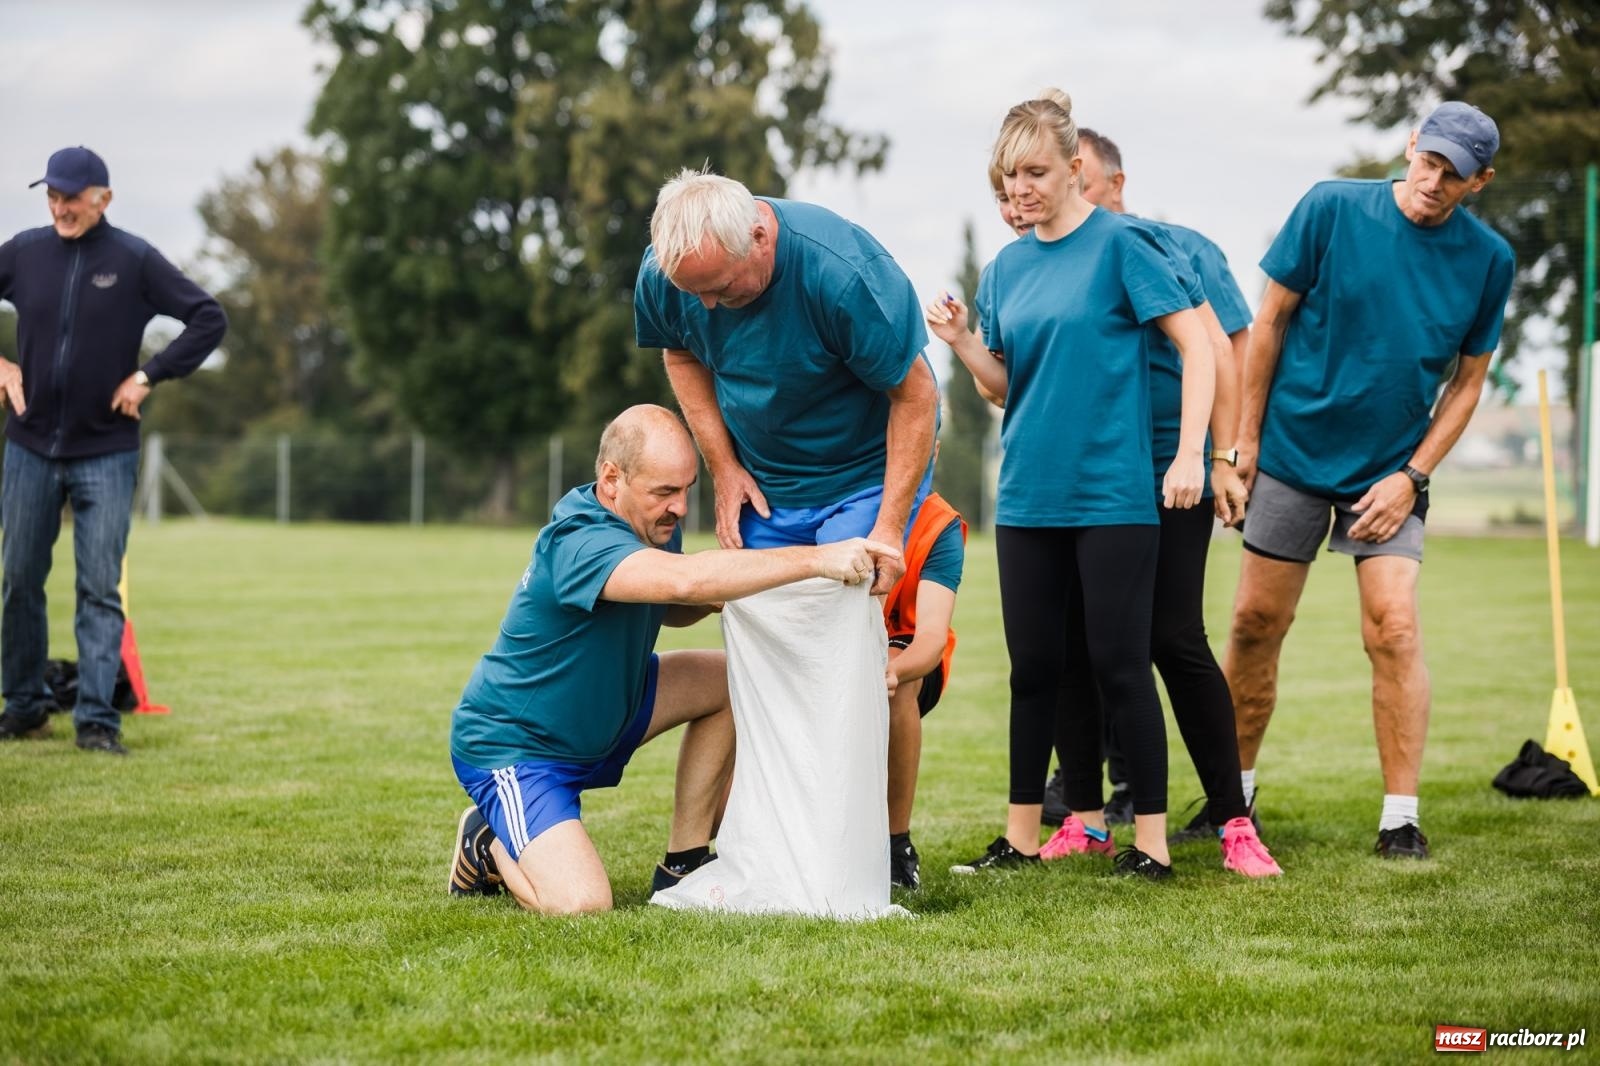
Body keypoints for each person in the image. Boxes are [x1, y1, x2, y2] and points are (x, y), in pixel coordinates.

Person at [447, 405, 902, 915]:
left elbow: (674, 604)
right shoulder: (579, 539)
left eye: (687, 490)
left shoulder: (650, 523)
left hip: (609, 712)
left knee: (737, 682)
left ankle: (682, 862)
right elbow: (685, 580)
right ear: (612, 479)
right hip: (518, 746)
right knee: (582, 906)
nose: (680, 508)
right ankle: (486, 842)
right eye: (664, 492)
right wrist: (818, 557)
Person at [929, 91, 1215, 880]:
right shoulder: (1007, 268)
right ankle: (1022, 838)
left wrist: (1190, 453)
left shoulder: (1125, 246)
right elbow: (1003, 386)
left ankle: (1150, 846)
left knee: (1123, 668)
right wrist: (960, 342)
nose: (1019, 188)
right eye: (1006, 175)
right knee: (1036, 671)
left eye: (1034, 171)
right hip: (1026, 499)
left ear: (1074, 169)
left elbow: (1199, 346)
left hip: (1113, 496)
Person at [1224, 102, 1514, 860]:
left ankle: (1400, 820)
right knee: (1256, 625)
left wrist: (1412, 478)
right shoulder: (1330, 207)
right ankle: (1233, 801)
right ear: (1412, 146)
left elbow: (1468, 383)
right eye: (1429, 162)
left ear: (1479, 181)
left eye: (1455, 175)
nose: (1433, 182)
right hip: (1289, 456)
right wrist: (1246, 442)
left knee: (1394, 627)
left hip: (1387, 475)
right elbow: (1271, 321)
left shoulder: (1489, 261)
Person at [1051, 128, 1279, 876]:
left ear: (1102, 177)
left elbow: (1219, 350)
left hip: (1166, 469)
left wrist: (1221, 458)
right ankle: (1089, 814)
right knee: (1086, 643)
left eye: (1069, 174)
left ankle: (1233, 821)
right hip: (1089, 478)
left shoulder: (1168, 244)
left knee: (1173, 637)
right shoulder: (1052, 253)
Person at [0, 147, 227, 756]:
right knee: (20, 577)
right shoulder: (23, 251)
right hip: (28, 444)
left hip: (106, 450)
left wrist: (149, 375)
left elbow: (208, 318)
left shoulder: (134, 260)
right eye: (51, 194)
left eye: (71, 196)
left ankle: (97, 720)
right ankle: (22, 707)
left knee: (99, 588)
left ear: (103, 198)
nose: (59, 206)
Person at [634, 169, 938, 588]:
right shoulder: (665, 273)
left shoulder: (844, 274)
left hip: (862, 478)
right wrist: (723, 468)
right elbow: (682, 354)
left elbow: (917, 395)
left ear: (758, 238)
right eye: (692, 292)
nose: (706, 305)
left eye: (720, 286)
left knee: (834, 612)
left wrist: (888, 526)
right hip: (765, 487)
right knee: (758, 620)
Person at [884, 489, 966, 890]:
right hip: (840, 648)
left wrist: (890, 672)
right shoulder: (839, 495)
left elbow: (930, 641)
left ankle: (896, 844)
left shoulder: (939, 523)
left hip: (911, 660)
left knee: (897, 683)